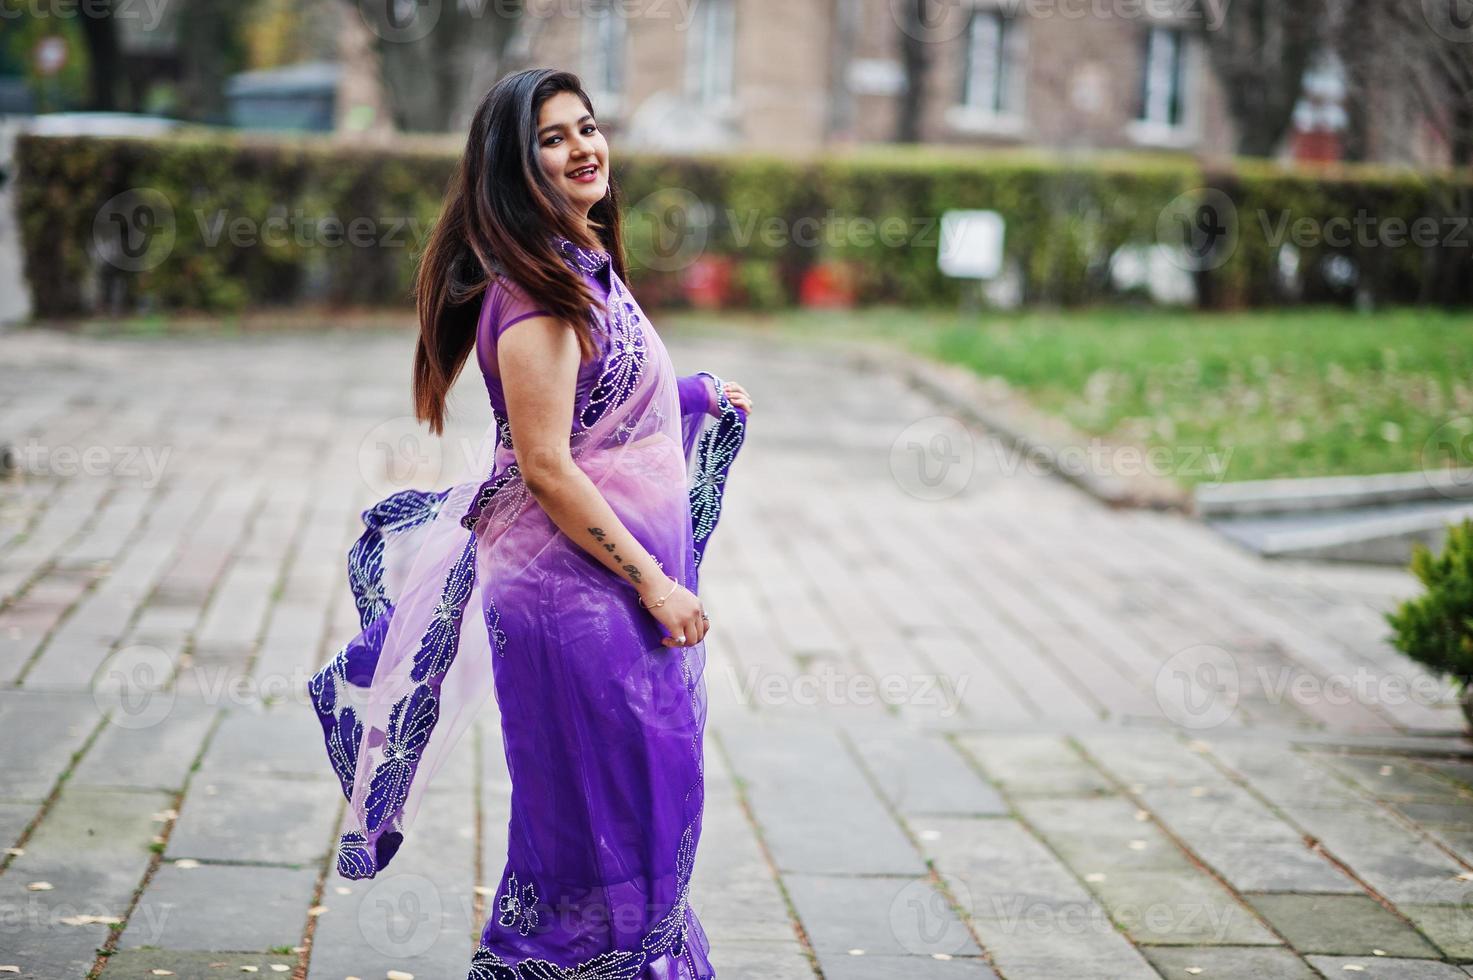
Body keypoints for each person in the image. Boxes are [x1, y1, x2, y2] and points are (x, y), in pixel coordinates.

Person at [307, 67, 752, 980]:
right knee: (599, 824)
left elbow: (598, 405)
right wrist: (654, 583)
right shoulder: (540, 297)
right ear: (515, 168)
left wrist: (691, 396)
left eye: (587, 127)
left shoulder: (579, 266)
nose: (583, 147)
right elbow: (546, 465)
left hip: (604, 592)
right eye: (552, 138)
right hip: (575, 601)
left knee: (638, 809)